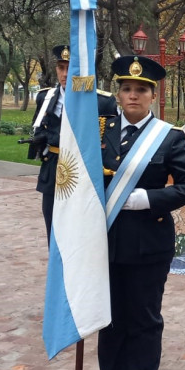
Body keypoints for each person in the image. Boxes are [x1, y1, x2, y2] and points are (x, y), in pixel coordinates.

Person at [90, 55, 185, 370]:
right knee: (109, 321)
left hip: (147, 245)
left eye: (141, 89)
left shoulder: (169, 137)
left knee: (142, 321)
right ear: (118, 94)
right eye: (126, 88)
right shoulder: (97, 132)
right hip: (103, 243)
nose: (133, 95)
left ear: (153, 95)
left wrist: (150, 199)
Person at [28, 44, 116, 242]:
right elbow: (38, 127)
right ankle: (57, 272)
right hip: (53, 168)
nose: (65, 73)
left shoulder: (102, 102)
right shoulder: (45, 97)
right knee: (53, 228)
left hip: (83, 170)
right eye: (61, 67)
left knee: (83, 231)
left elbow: (111, 144)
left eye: (71, 68)